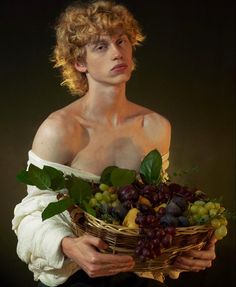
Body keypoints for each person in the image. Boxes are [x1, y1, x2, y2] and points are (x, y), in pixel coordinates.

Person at [12, 1, 217, 287]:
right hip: (78, 275)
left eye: (122, 41)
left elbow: (157, 207)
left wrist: (196, 244)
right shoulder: (60, 129)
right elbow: (32, 214)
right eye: (100, 46)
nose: (117, 53)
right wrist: (68, 245)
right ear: (79, 62)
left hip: (140, 270)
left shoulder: (156, 126)